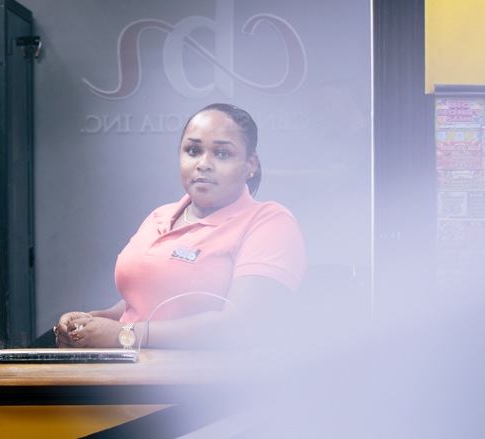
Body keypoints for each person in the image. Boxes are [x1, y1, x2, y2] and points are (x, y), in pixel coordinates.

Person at [54, 103, 306, 350]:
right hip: (123, 373)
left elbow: (240, 327)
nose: (203, 163)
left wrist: (124, 334)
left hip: (197, 386)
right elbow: (147, 300)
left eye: (222, 154)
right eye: (193, 150)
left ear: (250, 165)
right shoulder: (160, 216)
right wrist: (94, 322)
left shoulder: (268, 222)